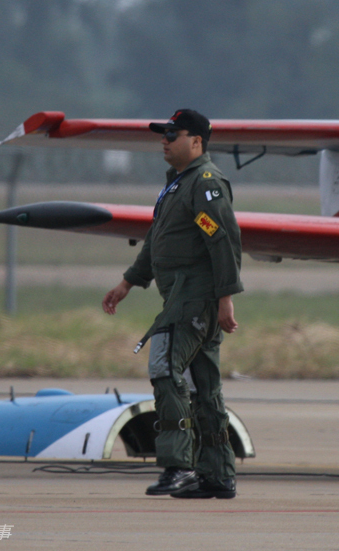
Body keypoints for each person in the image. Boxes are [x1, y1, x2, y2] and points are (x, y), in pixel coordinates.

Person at [102, 109, 243, 499]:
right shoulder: (179, 185)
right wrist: (129, 281)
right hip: (186, 296)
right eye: (162, 134)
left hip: (194, 299)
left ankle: (179, 466)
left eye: (172, 134)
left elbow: (223, 242)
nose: (164, 140)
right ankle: (217, 476)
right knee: (205, 388)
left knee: (164, 368)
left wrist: (224, 300)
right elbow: (158, 239)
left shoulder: (206, 184)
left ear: (196, 141)